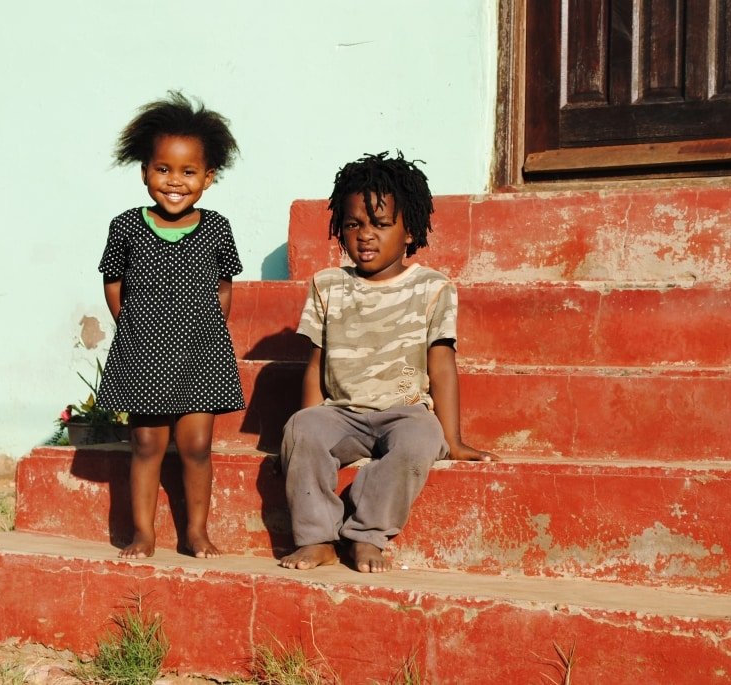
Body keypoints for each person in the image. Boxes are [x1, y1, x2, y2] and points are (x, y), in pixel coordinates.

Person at [279, 151, 498, 574]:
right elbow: (315, 363)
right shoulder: (327, 285)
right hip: (342, 413)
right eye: (353, 224)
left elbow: (442, 364)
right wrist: (299, 436)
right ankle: (318, 539)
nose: (365, 236)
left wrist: (452, 440)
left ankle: (366, 534)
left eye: (380, 224)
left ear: (409, 229)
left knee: (420, 440)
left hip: (405, 412)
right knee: (301, 428)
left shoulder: (433, 288)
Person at [97, 91, 244, 559]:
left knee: (197, 446)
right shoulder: (126, 226)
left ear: (208, 177)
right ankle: (143, 533)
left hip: (201, 354)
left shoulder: (217, 228)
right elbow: (113, 281)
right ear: (144, 171)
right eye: (163, 169)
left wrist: (208, 332)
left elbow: (223, 287)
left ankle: (196, 532)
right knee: (146, 443)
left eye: (188, 171)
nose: (174, 181)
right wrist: (131, 328)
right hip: (144, 354)